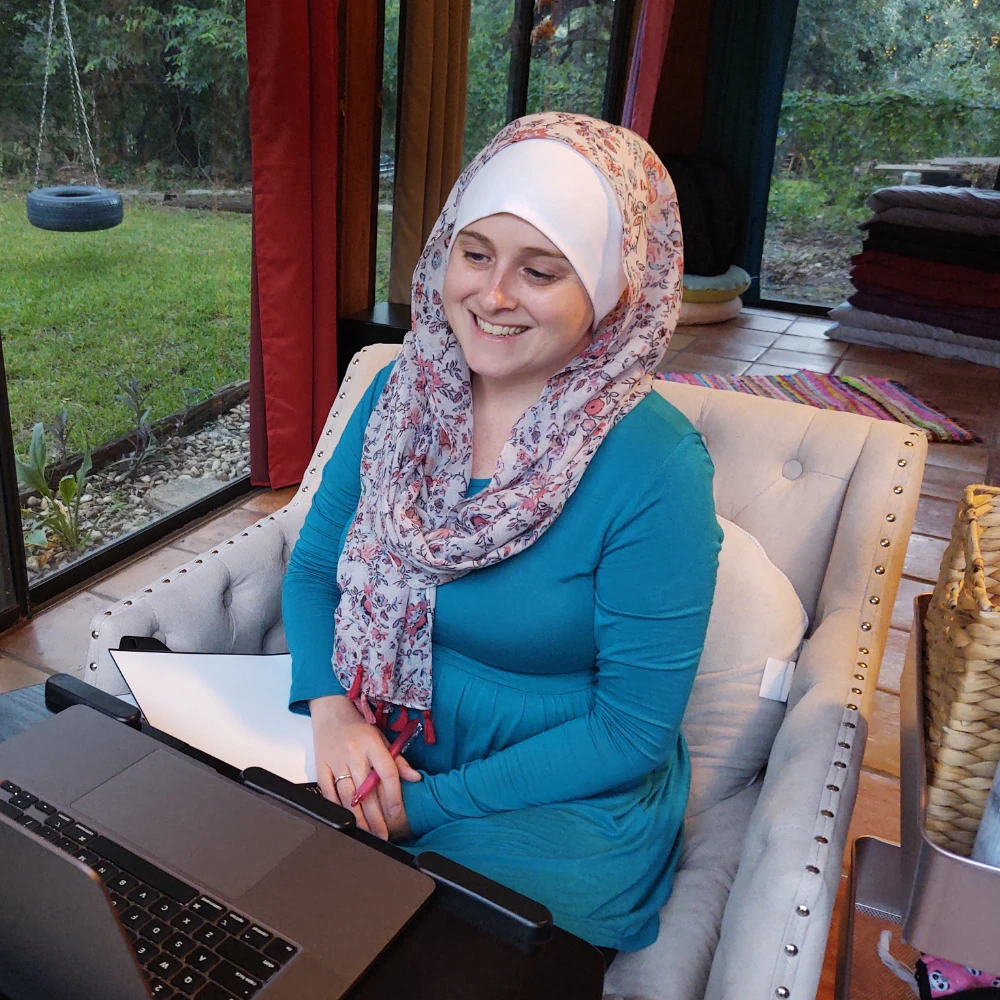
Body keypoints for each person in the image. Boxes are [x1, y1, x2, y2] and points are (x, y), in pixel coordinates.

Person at [282, 111, 722, 952]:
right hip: (372, 742)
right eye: (475, 253)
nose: (491, 295)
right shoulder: (401, 396)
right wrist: (333, 711)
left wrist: (425, 808)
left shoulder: (656, 467)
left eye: (541, 270)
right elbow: (313, 572)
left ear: (613, 290)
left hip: (551, 800)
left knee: (423, 958)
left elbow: (630, 730)